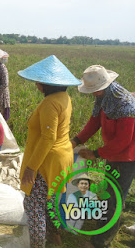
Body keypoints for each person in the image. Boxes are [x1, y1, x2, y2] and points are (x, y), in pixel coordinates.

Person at [18, 55, 81, 247]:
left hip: (47, 161)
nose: (37, 84)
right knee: (50, 201)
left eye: (40, 81)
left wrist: (31, 167)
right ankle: (55, 237)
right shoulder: (65, 97)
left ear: (48, 84)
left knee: (33, 205)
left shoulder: (49, 103)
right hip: (63, 156)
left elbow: (48, 138)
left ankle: (38, 244)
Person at [71, 65, 135, 248]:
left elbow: (123, 141)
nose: (92, 94)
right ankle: (108, 226)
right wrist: (76, 140)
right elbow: (94, 121)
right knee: (109, 194)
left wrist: (96, 154)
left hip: (127, 156)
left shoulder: (124, 103)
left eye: (94, 91)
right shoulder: (103, 97)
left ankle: (100, 242)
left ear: (104, 85)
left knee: (114, 198)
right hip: (115, 153)